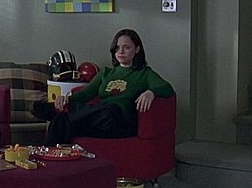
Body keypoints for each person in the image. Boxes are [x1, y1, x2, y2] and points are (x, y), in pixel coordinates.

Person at [42, 28, 174, 147]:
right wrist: (66, 100)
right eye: (117, 48)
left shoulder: (144, 73)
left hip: (120, 123)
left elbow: (167, 88)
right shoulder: (106, 73)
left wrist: (151, 92)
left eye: (126, 47)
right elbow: (85, 94)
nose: (121, 51)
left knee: (110, 109)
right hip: (99, 122)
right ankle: (45, 159)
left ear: (137, 49)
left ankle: (54, 112)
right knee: (61, 121)